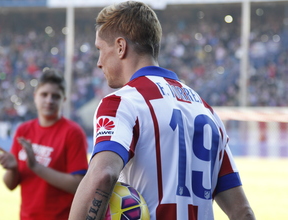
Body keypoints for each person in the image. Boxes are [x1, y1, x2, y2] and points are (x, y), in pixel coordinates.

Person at [69, 1, 255, 220]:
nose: (99, 62)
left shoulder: (121, 102)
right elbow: (243, 212)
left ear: (120, 46)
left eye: (100, 49)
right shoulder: (207, 111)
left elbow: (103, 175)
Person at [0, 68, 89, 220]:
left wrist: (36, 167)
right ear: (35, 97)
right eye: (44, 94)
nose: (49, 100)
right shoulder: (23, 131)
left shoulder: (72, 132)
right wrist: (12, 169)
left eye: (55, 96)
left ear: (63, 100)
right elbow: (10, 185)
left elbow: (78, 186)